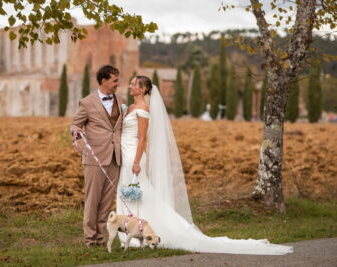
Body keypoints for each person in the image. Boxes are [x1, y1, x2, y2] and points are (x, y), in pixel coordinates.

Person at [116, 75, 293, 255]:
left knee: (137, 191)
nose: (130, 86)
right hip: (124, 151)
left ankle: (139, 231)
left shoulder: (143, 109)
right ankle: (132, 227)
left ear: (144, 89)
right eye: (130, 83)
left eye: (133, 84)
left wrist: (137, 161)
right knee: (131, 190)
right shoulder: (130, 107)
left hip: (133, 156)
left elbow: (142, 138)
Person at [70, 65, 126, 247]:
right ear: (103, 81)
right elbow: (74, 124)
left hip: (115, 157)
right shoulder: (86, 102)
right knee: (92, 199)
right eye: (115, 80)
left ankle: (100, 237)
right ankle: (89, 238)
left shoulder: (122, 100)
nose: (118, 83)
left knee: (107, 200)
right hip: (94, 157)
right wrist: (77, 132)